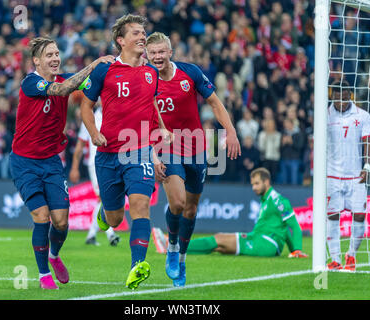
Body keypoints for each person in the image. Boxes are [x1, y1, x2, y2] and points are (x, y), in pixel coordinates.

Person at [9, 36, 114, 290]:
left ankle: (54, 256)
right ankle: (44, 274)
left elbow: (93, 82)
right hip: (24, 162)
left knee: (61, 221)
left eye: (57, 54)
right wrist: (95, 63)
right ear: (37, 61)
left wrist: (114, 68)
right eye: (49, 55)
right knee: (42, 217)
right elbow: (64, 88)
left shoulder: (65, 77)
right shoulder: (31, 82)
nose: (55, 58)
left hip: (51, 162)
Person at [80, 14, 172, 290]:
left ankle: (136, 266)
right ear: (121, 40)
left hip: (139, 152)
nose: (142, 37)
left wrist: (161, 134)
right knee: (116, 217)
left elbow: (151, 108)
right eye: (136, 33)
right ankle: (105, 216)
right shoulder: (104, 70)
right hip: (108, 154)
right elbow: (85, 106)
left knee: (141, 206)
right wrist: (94, 134)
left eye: (143, 32)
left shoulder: (151, 73)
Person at [146, 32, 241, 287]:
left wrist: (230, 131)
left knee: (191, 208)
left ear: (170, 52)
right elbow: (140, 121)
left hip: (197, 149)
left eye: (161, 52)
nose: (157, 57)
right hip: (167, 147)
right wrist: (152, 155)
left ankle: (183, 258)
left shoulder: (190, 73)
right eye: (152, 53)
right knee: (176, 203)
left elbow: (214, 102)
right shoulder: (145, 80)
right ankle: (173, 246)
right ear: (147, 54)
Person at [182, 167, 307, 258]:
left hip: (265, 243)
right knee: (219, 247)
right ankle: (179, 249)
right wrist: (292, 251)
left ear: (266, 182)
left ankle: (177, 245)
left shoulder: (277, 200)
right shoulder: (267, 200)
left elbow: (294, 225)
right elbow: (284, 229)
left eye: (257, 184)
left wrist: (297, 250)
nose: (254, 188)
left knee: (219, 239)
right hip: (260, 239)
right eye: (252, 184)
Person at [326, 80, 370, 271]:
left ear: (349, 95)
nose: (341, 98)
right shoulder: (325, 115)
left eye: (344, 94)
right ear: (332, 95)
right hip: (332, 176)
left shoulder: (362, 116)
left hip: (356, 176)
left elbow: (368, 141)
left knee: (360, 216)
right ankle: (335, 259)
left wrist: (367, 166)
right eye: (337, 94)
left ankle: (351, 255)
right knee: (332, 217)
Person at [69, 102, 120, 247]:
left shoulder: (116, 115)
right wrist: (74, 168)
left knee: (104, 198)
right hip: (96, 163)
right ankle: (110, 234)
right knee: (102, 197)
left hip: (114, 162)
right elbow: (79, 145)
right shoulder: (90, 118)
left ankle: (91, 234)